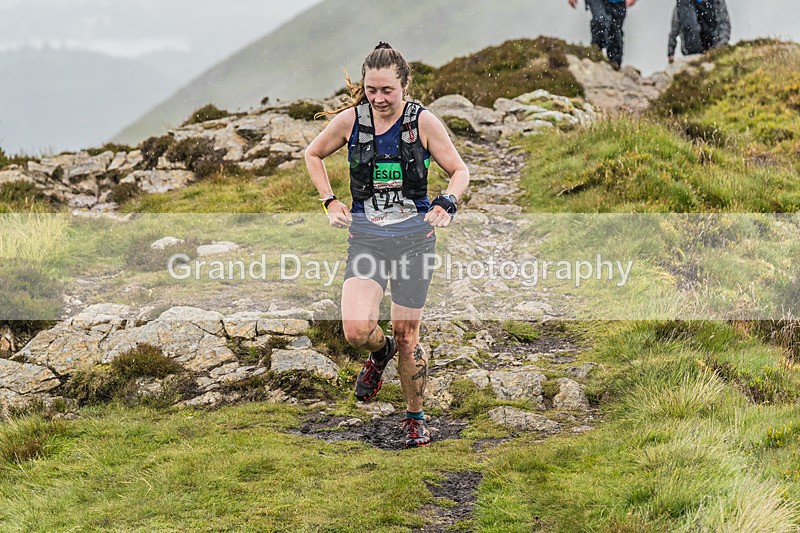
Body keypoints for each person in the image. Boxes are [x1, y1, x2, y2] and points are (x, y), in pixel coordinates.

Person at [304, 42, 469, 448]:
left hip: (414, 241)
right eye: (372, 90)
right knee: (357, 330)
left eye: (387, 91)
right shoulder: (351, 121)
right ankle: (381, 352)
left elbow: (459, 171)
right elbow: (313, 154)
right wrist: (330, 200)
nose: (379, 99)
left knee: (408, 334)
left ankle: (415, 417)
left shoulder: (422, 123)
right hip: (367, 240)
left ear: (405, 86)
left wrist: (447, 202)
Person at [568, 0, 638, 71]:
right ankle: (596, 52)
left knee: (615, 33)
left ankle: (614, 65)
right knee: (601, 21)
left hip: (618, 2)